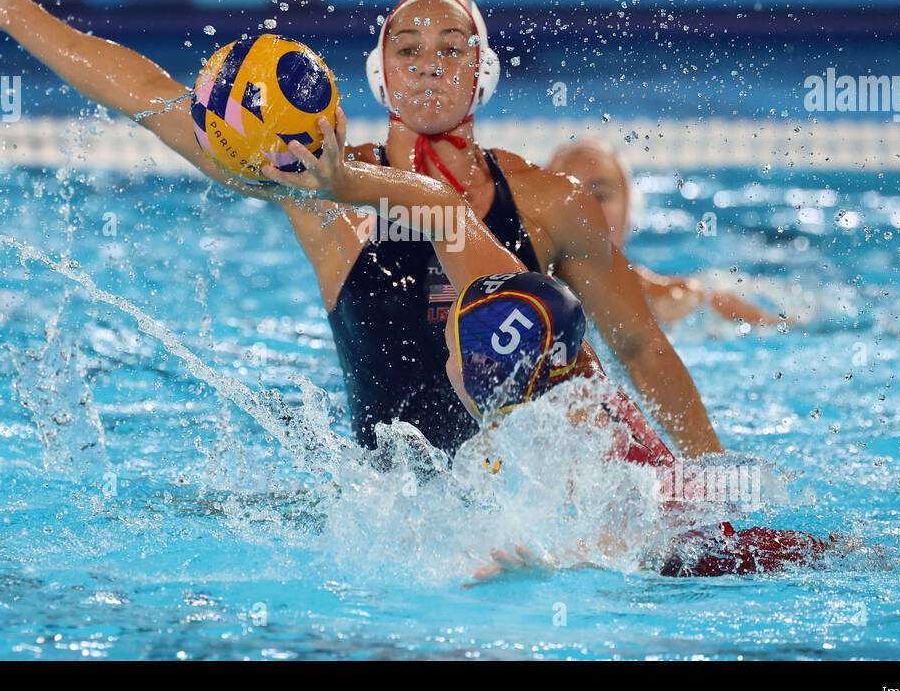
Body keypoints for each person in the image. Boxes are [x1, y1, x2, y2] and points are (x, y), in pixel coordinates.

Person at [0, 0, 720, 459]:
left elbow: (642, 350)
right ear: (379, 71)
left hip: (544, 500)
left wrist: (715, 482)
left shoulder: (551, 203)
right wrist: (16, 13)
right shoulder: (311, 182)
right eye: (409, 48)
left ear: (484, 71)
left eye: (451, 48)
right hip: (402, 516)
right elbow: (153, 101)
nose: (430, 63)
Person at [264, 111, 832, 580]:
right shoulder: (549, 354)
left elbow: (625, 539)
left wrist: (548, 568)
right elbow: (443, 214)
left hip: (697, 547)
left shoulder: (567, 412)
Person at [548, 139, 785, 327]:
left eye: (600, 195)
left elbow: (780, 330)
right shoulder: (522, 289)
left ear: (629, 213)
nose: (585, 207)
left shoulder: (669, 299)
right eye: (569, 193)